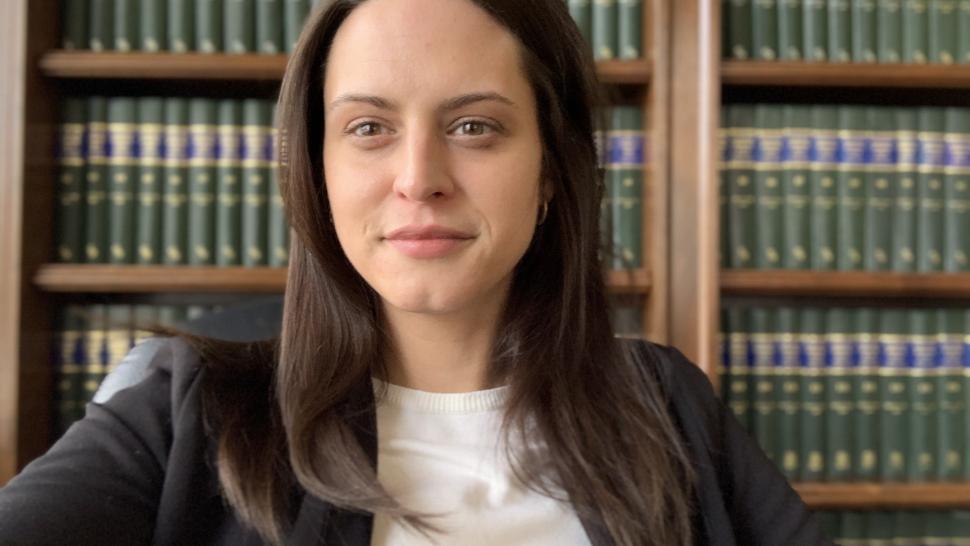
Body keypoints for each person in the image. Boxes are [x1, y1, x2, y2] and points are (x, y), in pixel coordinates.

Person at [0, 0, 832, 545]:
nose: (418, 176)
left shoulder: (668, 408)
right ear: (317, 173)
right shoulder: (186, 410)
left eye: (474, 126)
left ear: (550, 170)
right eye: (368, 128)